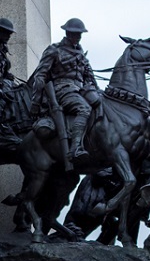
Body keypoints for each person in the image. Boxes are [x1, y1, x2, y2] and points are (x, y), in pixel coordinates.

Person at [30, 18, 99, 163]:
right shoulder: (55, 50)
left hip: (80, 90)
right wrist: (36, 102)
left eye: (79, 34)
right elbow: (40, 75)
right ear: (68, 33)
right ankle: (75, 148)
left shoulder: (81, 54)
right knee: (84, 109)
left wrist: (96, 91)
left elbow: (90, 78)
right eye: (75, 34)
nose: (78, 37)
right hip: (62, 89)